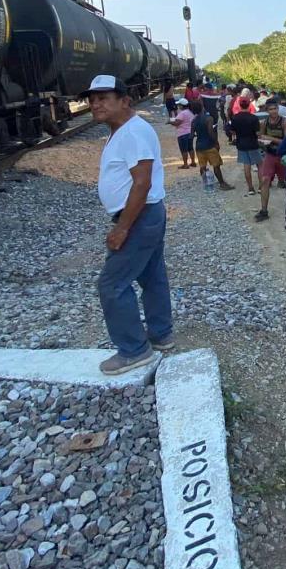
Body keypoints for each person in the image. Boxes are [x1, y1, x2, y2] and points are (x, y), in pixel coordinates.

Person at [82, 75, 174, 375]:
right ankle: (161, 334)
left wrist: (122, 228)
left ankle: (134, 351)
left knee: (111, 284)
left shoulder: (133, 132)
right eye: (92, 99)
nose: (95, 104)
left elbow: (142, 182)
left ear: (125, 100)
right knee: (152, 276)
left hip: (139, 216)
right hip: (146, 215)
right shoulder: (123, 130)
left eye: (104, 98)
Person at [254, 100, 286, 222]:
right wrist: (260, 140)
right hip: (270, 155)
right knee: (265, 181)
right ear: (267, 110)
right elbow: (260, 137)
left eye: (275, 109)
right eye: (270, 109)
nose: (273, 111)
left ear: (278, 109)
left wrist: (269, 138)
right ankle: (264, 210)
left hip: (283, 157)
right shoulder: (264, 123)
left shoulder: (285, 122)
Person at [191, 100, 234, 190]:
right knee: (216, 166)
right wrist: (216, 143)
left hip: (199, 146)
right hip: (209, 145)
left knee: (202, 166)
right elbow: (210, 132)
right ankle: (222, 184)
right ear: (202, 107)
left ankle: (206, 183)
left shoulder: (193, 121)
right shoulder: (209, 118)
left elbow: (191, 135)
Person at [230, 96, 262, 195]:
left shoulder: (235, 118)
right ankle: (261, 187)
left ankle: (250, 188)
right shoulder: (254, 118)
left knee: (246, 166)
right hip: (253, 144)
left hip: (241, 144)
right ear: (249, 105)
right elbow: (258, 133)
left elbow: (232, 131)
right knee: (259, 164)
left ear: (240, 105)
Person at [169, 97, 195, 169]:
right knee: (190, 148)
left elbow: (177, 123)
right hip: (190, 132)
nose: (178, 106)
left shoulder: (182, 113)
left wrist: (170, 122)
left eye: (179, 105)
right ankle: (193, 162)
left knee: (184, 149)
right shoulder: (190, 112)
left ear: (181, 105)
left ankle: (185, 164)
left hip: (182, 133)